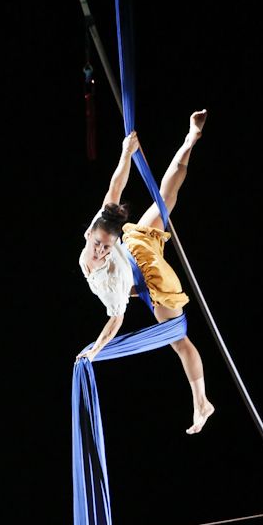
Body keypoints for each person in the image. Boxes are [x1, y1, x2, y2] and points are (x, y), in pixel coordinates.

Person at [78, 109, 215, 435]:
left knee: (165, 197)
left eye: (105, 247)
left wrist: (126, 152)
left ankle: (190, 137)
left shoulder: (107, 235)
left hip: (143, 263)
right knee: (178, 340)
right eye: (98, 244)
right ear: (89, 234)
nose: (99, 251)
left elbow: (116, 184)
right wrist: (97, 349)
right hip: (141, 276)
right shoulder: (106, 271)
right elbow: (116, 318)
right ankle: (202, 402)